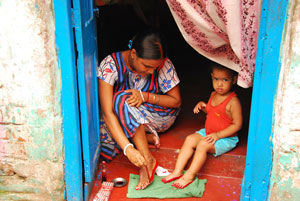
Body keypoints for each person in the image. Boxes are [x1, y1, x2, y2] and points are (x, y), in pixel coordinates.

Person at [97, 29, 181, 190]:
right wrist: (128, 150)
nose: (151, 72)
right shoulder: (110, 65)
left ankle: (147, 161)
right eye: (147, 66)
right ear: (133, 53)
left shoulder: (162, 63)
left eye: (154, 68)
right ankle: (141, 138)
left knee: (121, 98)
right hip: (125, 115)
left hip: (160, 115)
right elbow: (108, 112)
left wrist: (144, 96)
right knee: (98, 133)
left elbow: (176, 102)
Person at [162, 63, 242, 189]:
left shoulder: (233, 102)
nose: (219, 84)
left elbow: (237, 125)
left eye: (225, 80)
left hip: (226, 138)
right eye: (216, 79)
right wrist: (202, 106)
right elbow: (213, 112)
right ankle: (177, 171)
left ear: (234, 80)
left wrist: (218, 135)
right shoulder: (213, 95)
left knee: (202, 145)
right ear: (211, 77)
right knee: (189, 139)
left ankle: (189, 175)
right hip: (210, 132)